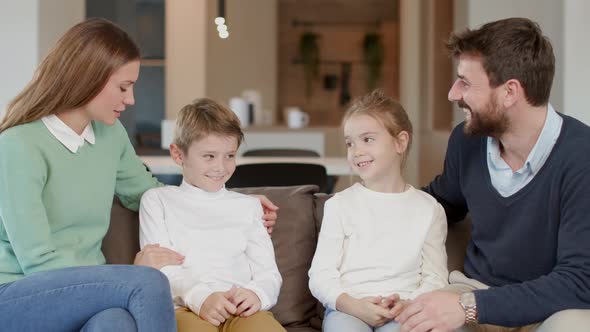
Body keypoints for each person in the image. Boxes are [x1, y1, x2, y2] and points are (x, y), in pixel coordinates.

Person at [0, 18, 276, 331]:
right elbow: (37, 261)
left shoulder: (109, 135)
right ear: (87, 78)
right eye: (123, 87)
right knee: (148, 281)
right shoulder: (18, 145)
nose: (130, 100)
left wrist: (230, 203)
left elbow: (150, 192)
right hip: (18, 291)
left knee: (115, 324)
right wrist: (122, 277)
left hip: (90, 290)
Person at [395, 17, 590, 332]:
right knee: (419, 322)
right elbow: (441, 201)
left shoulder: (582, 157)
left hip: (553, 308)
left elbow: (579, 281)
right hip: (475, 290)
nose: (453, 94)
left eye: (466, 83)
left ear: (510, 92)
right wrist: (367, 201)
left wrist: (470, 308)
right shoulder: (466, 142)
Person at [139, 98, 285, 332]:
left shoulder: (248, 207)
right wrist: (202, 297)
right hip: (185, 308)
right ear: (178, 155)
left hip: (240, 309)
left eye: (230, 155)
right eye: (209, 156)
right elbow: (162, 269)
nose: (221, 167)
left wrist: (257, 294)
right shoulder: (158, 201)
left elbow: (268, 272)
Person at [308, 90, 448, 332]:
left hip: (405, 310)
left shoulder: (429, 209)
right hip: (349, 310)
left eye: (367, 139)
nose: (356, 151)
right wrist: (352, 305)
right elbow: (320, 275)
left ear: (400, 142)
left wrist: (406, 305)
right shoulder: (339, 205)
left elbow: (435, 278)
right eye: (350, 143)